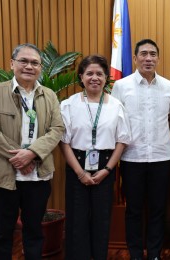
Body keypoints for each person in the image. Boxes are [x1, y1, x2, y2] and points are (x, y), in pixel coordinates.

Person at [0, 43, 64, 260]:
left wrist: (32, 153)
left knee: (34, 232)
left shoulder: (49, 95)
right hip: (4, 175)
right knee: (2, 233)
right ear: (12, 63)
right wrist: (18, 157)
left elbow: (57, 129)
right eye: (24, 61)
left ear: (40, 68)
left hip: (38, 175)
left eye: (35, 62)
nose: (29, 66)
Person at [111, 39, 170, 260]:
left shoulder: (169, 86)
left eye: (152, 54)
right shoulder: (121, 86)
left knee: (158, 210)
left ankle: (155, 254)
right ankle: (136, 253)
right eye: (143, 54)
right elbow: (115, 120)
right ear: (135, 58)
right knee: (134, 210)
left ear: (158, 58)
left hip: (161, 157)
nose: (148, 58)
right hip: (132, 157)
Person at [59, 55, 131, 260]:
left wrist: (107, 170)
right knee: (76, 220)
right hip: (76, 166)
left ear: (106, 77)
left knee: (101, 220)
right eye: (89, 73)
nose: (94, 78)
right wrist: (80, 173)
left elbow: (122, 140)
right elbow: (63, 142)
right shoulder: (68, 105)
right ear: (81, 77)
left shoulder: (116, 106)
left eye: (99, 73)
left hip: (105, 166)